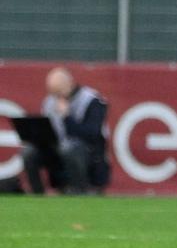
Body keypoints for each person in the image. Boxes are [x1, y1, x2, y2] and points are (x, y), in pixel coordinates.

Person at [21, 67, 111, 195]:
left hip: (87, 153)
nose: (56, 96)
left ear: (70, 83)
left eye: (59, 92)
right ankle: (37, 194)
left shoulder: (92, 100)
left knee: (69, 149)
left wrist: (67, 117)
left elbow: (92, 134)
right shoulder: (50, 101)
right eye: (53, 93)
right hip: (57, 149)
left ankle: (79, 191)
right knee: (29, 152)